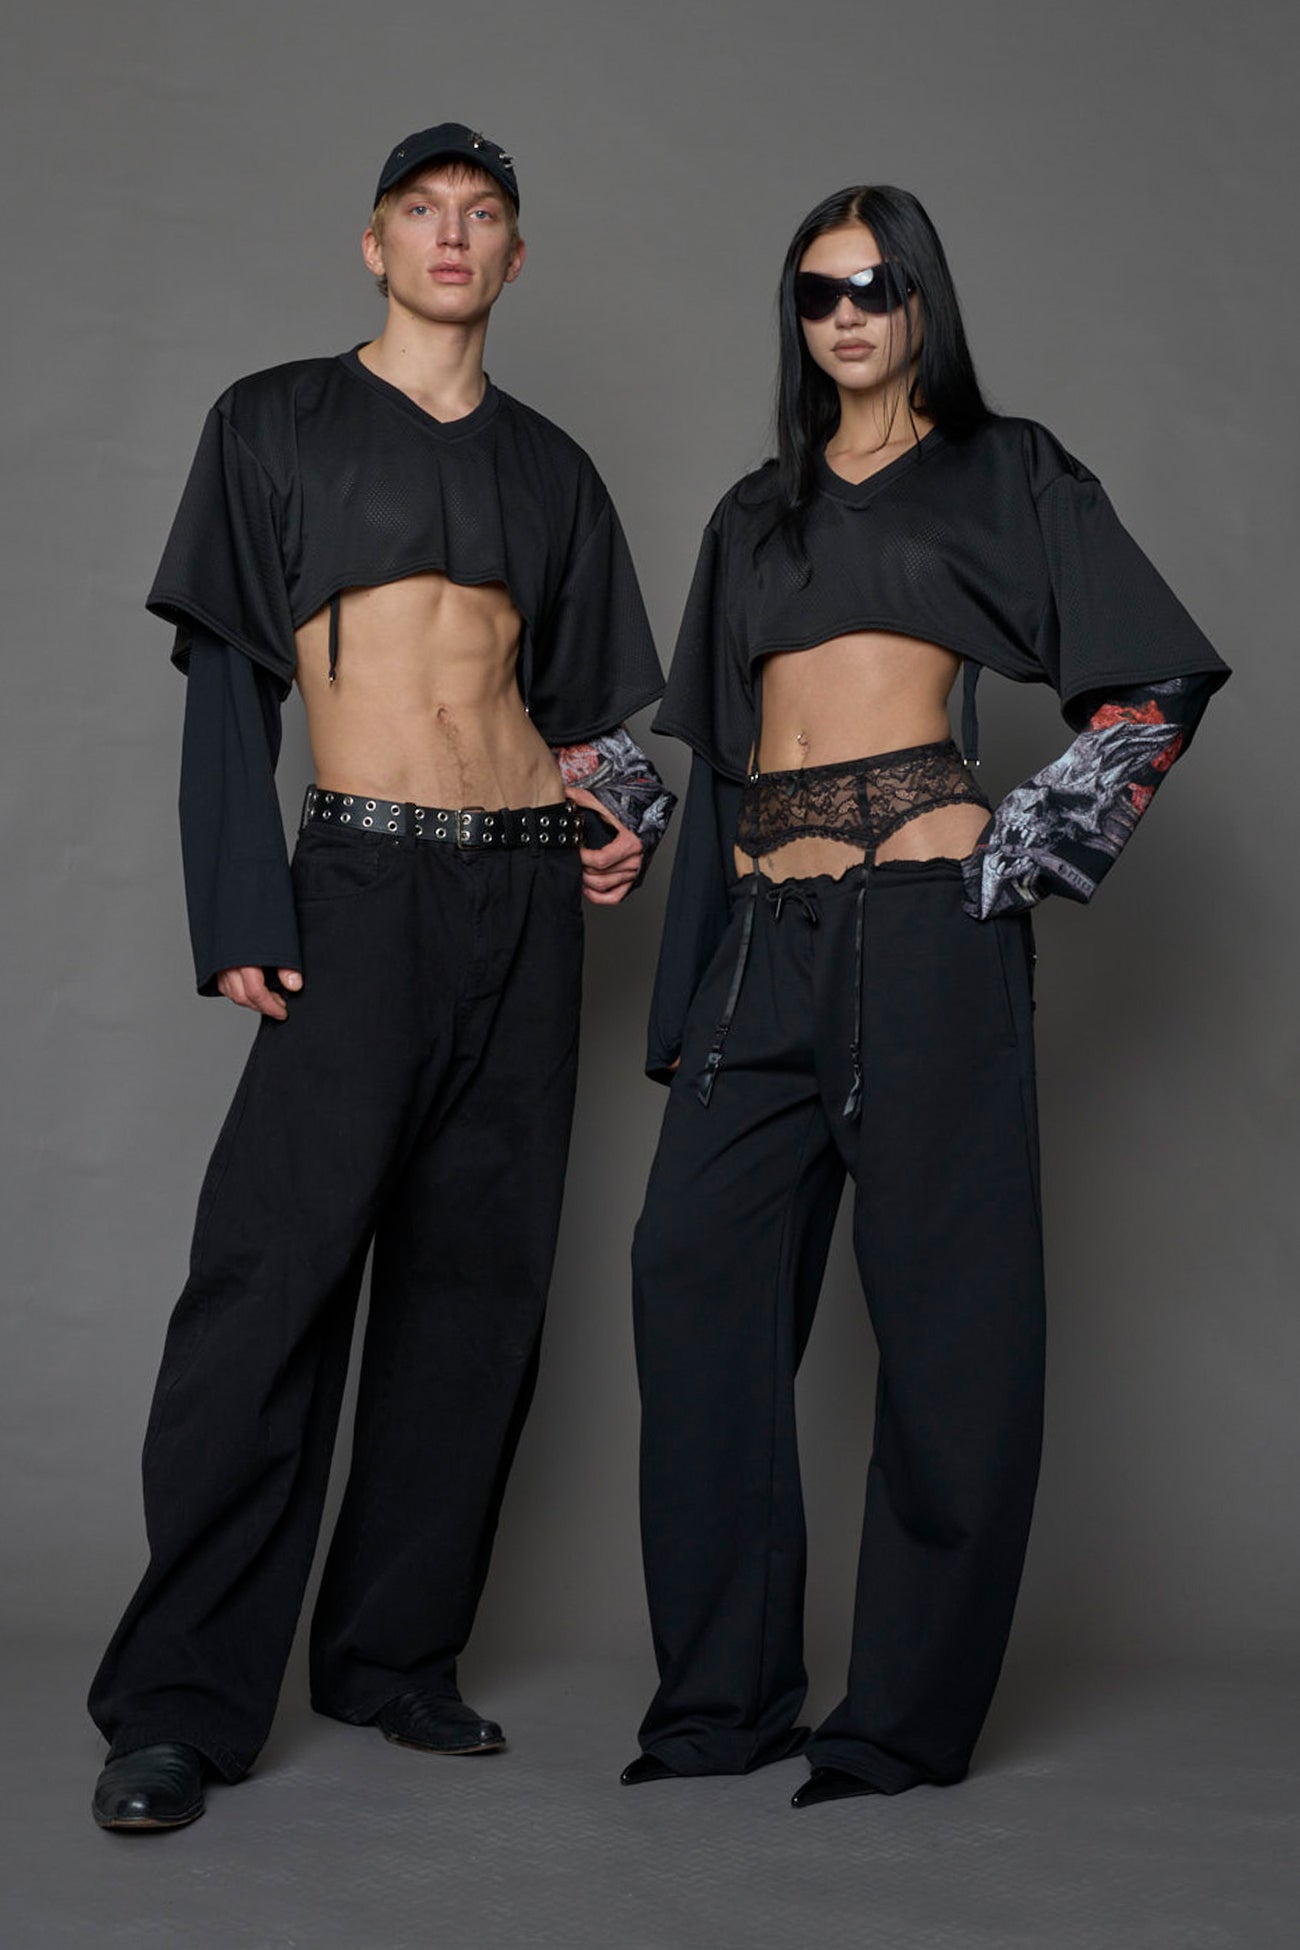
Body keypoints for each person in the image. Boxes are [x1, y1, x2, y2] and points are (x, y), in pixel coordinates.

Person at [88, 122, 672, 1832]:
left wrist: (613, 824)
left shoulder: (555, 469)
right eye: (422, 212)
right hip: (353, 880)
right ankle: (180, 1699)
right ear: (373, 245)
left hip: (521, 895)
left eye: (482, 217)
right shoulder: (269, 421)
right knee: (264, 1288)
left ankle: (395, 1653)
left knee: (478, 1287)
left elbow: (591, 723)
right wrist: (237, 901)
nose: (451, 237)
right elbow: (225, 688)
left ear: (511, 260)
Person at [622, 185, 1228, 1808]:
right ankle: (721, 1700)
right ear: (797, 316)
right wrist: (678, 992)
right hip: (765, 934)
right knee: (688, 1276)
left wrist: (1039, 836)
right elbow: (718, 757)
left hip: (927, 922)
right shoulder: (755, 514)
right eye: (818, 291)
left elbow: (1154, 677)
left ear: (922, 302)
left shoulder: (1005, 468)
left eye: (877, 287)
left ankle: (897, 1720)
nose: (848, 314)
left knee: (950, 1328)